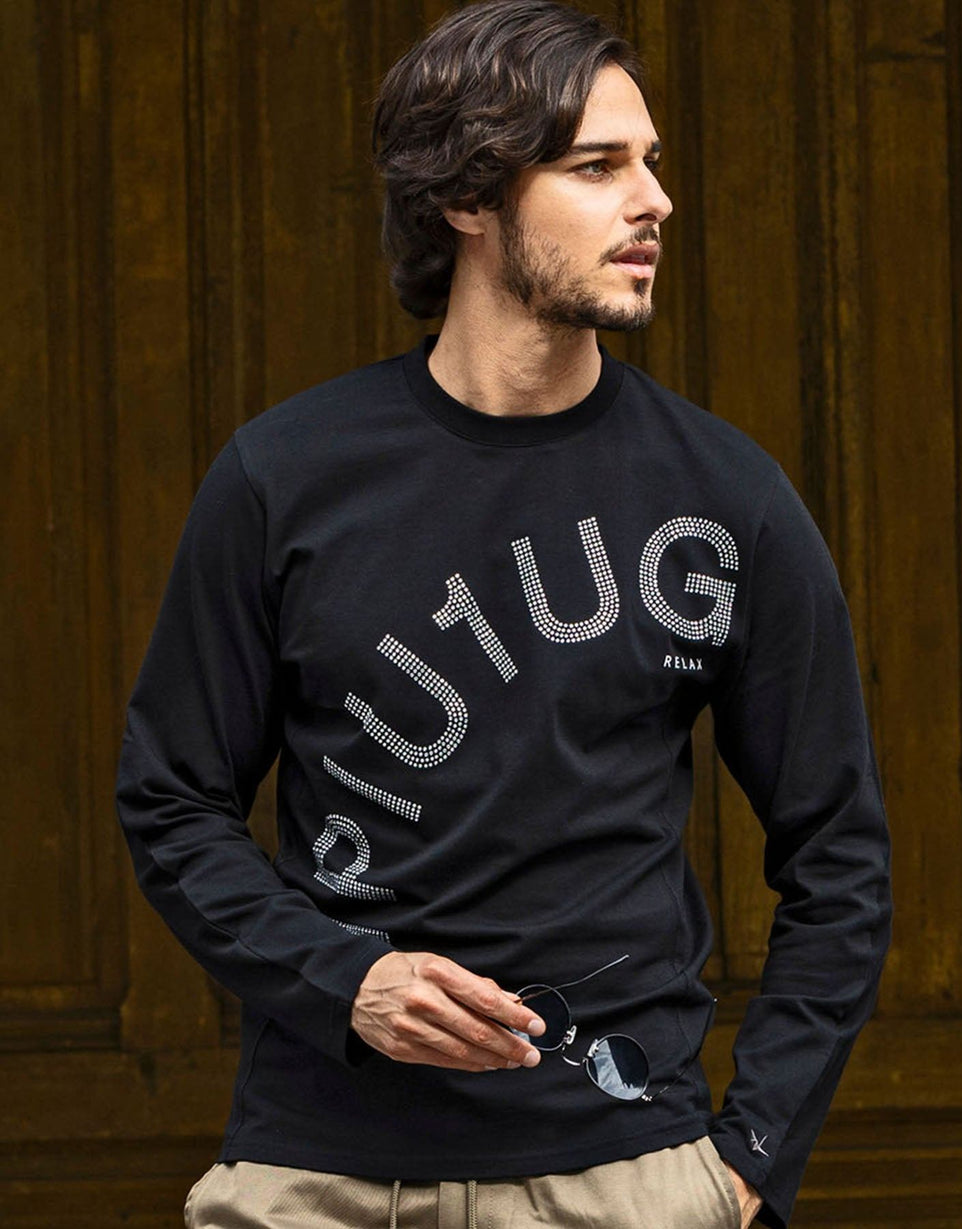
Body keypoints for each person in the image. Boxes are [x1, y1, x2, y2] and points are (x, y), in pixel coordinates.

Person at [116, 2, 892, 1226]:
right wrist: (346, 980)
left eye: (649, 162)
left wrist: (745, 1160)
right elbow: (170, 799)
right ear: (468, 196)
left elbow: (839, 854)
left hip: (628, 1176)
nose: (654, 200)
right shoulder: (285, 475)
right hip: (318, 1173)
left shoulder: (723, 496)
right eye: (595, 166)